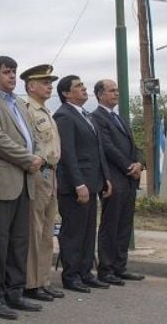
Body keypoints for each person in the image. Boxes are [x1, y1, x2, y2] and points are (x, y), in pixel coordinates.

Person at [0, 56, 44, 320]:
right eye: (6, 72)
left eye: (14, 72)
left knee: (19, 242)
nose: (12, 76)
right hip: (2, 182)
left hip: (25, 182)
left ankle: (15, 292)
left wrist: (37, 156)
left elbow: (32, 137)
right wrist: (29, 159)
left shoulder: (21, 105)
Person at [53, 75, 112, 293]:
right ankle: (71, 276)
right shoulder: (64, 116)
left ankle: (86, 272)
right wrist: (79, 184)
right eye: (78, 87)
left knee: (88, 232)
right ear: (66, 94)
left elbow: (97, 151)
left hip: (93, 182)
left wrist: (105, 178)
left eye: (83, 85)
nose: (84, 89)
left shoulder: (87, 115)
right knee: (74, 233)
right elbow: (67, 154)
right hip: (74, 187)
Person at [90, 79, 146, 285]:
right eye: (112, 91)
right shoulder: (96, 117)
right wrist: (128, 167)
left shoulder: (120, 118)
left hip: (130, 179)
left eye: (117, 90)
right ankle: (106, 269)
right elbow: (107, 147)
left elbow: (134, 145)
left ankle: (120, 266)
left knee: (124, 225)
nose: (116, 93)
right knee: (110, 225)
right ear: (100, 95)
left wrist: (140, 163)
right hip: (114, 178)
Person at [19, 64, 65, 303]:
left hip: (52, 174)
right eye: (45, 82)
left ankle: (43, 281)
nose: (49, 86)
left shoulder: (46, 111)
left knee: (47, 232)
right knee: (35, 230)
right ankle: (31, 283)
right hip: (38, 174)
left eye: (50, 82)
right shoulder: (26, 109)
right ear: (31, 86)